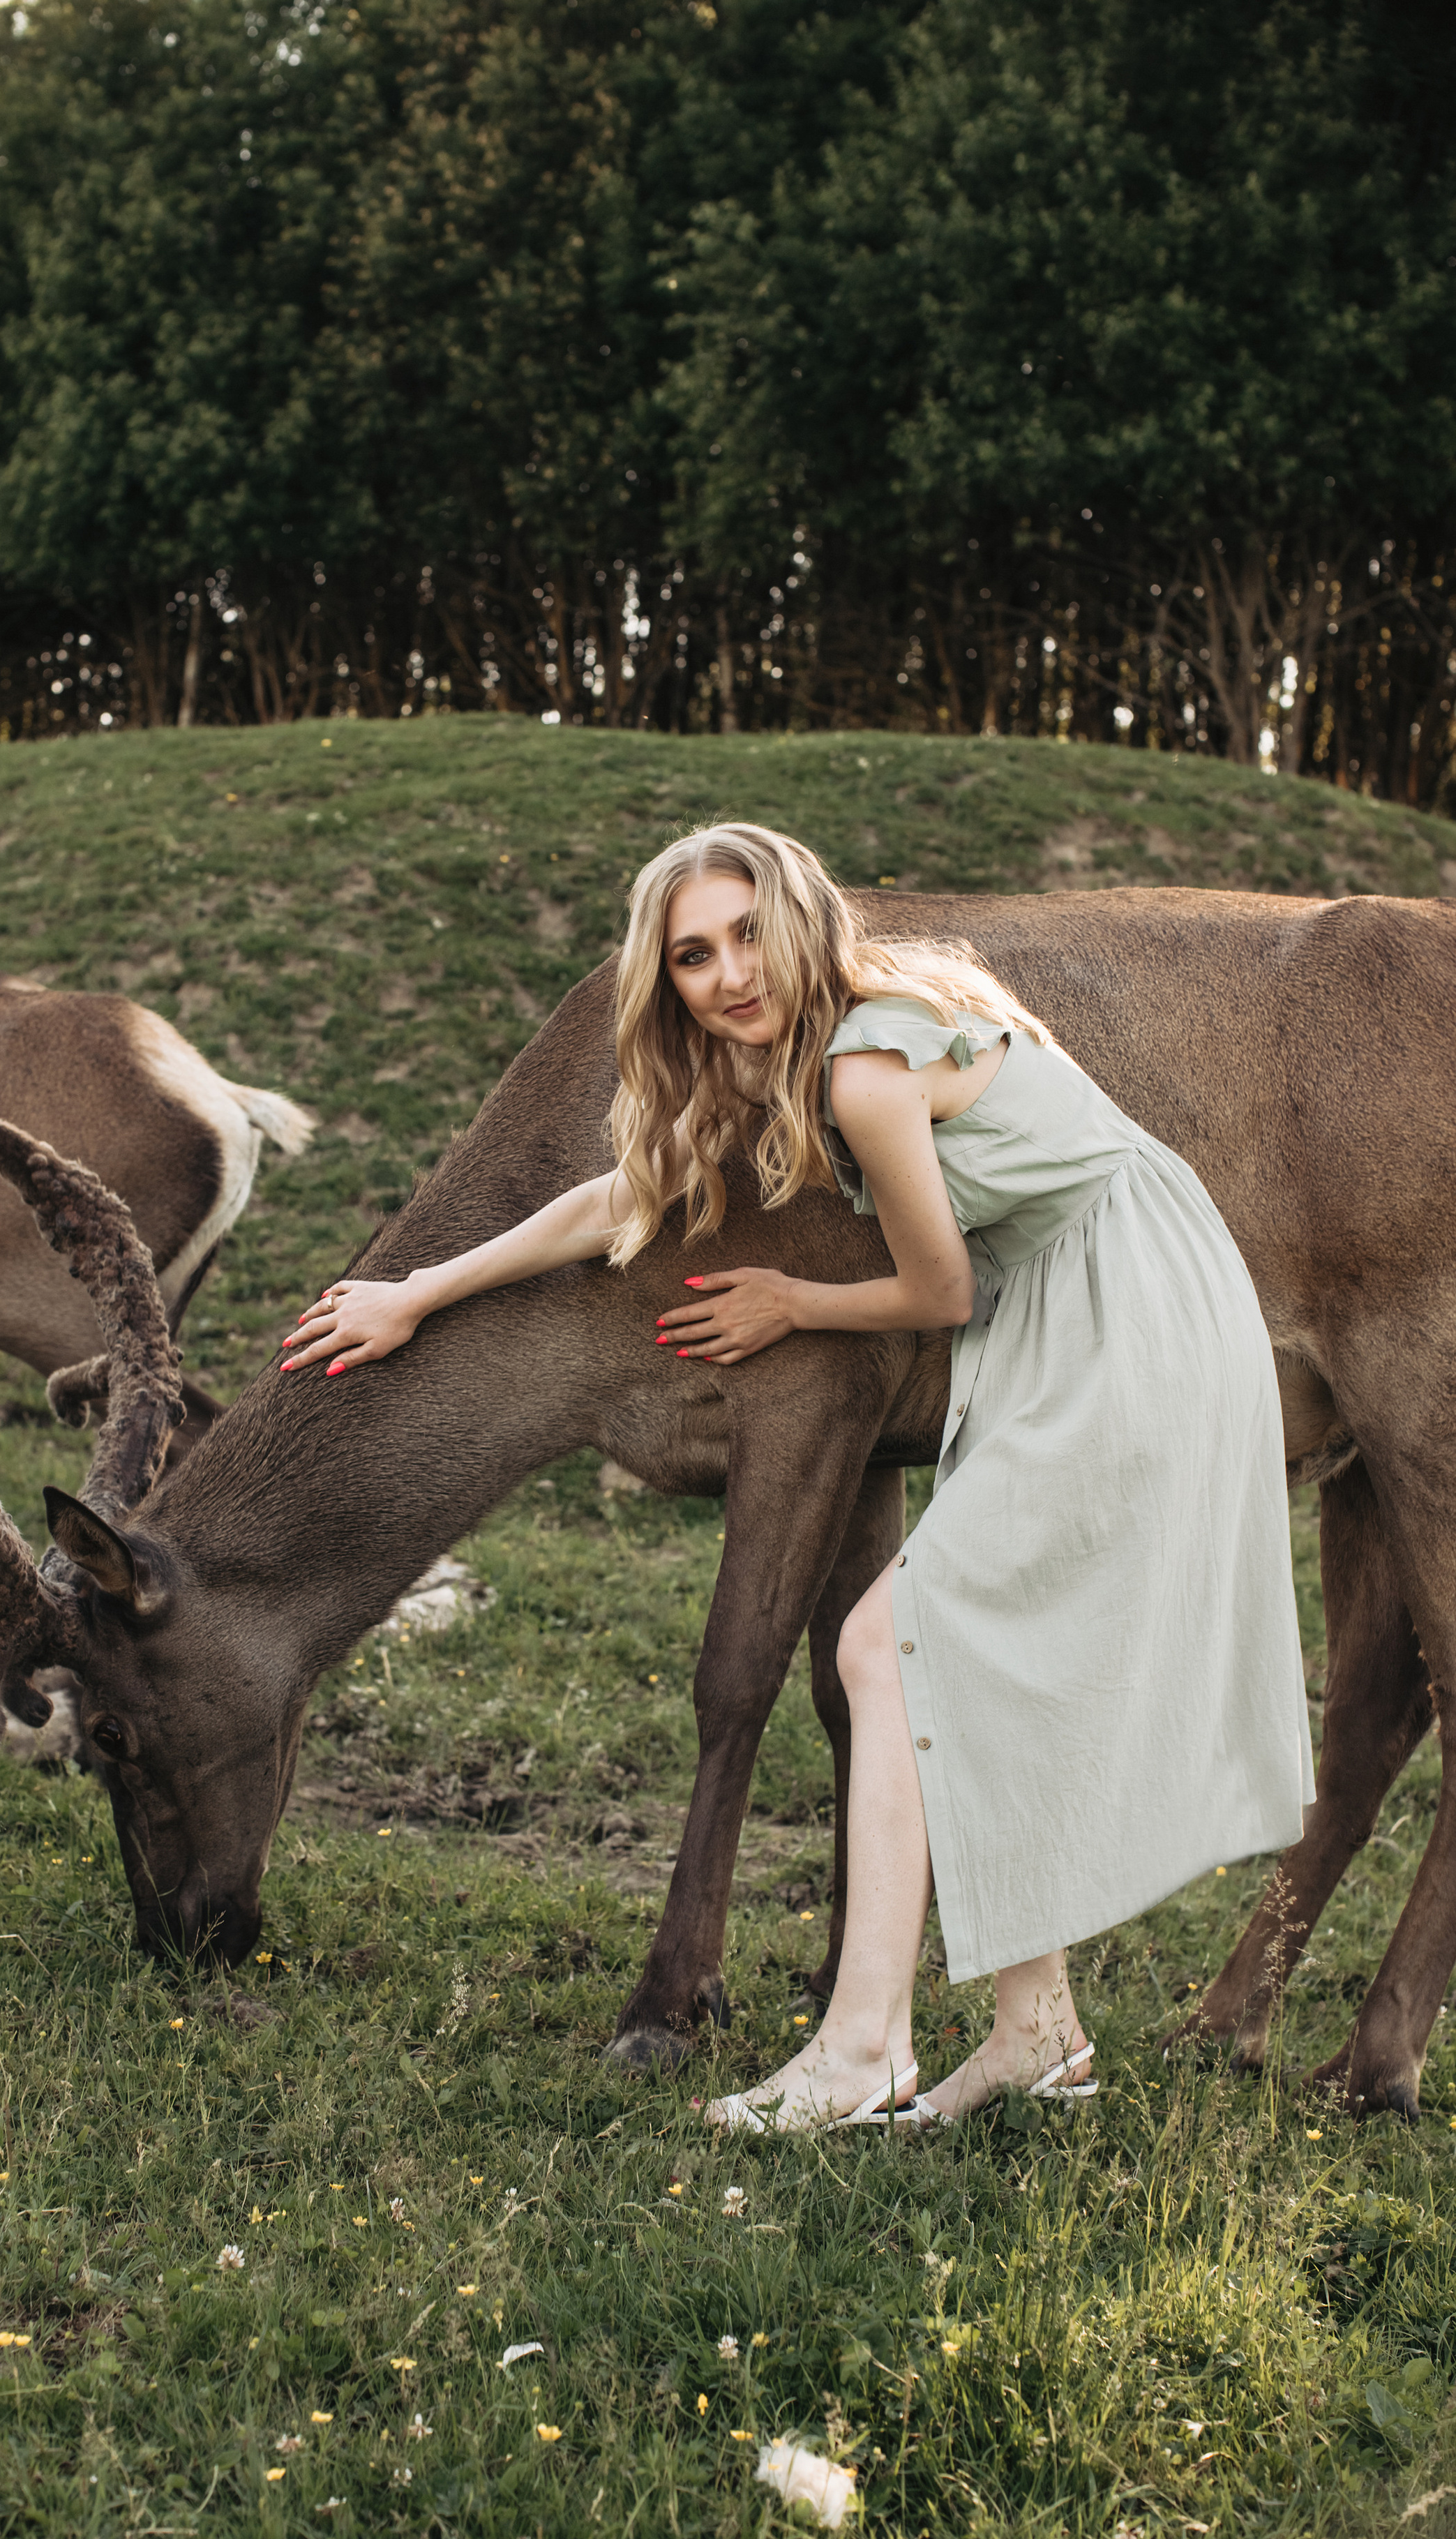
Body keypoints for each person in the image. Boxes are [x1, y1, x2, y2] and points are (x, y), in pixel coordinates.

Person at [278, 823, 1312, 2130]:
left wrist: (791, 1300)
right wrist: (418, 1291)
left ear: (802, 916)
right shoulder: (791, 1055)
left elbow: (940, 1291)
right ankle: (1036, 2032)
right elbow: (625, 1196)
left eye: (748, 931)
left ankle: (861, 2049)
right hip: (1072, 1299)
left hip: (1123, 1312)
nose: (728, 974)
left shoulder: (870, 1062)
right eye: (693, 956)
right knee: (942, 1653)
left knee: (888, 1649)